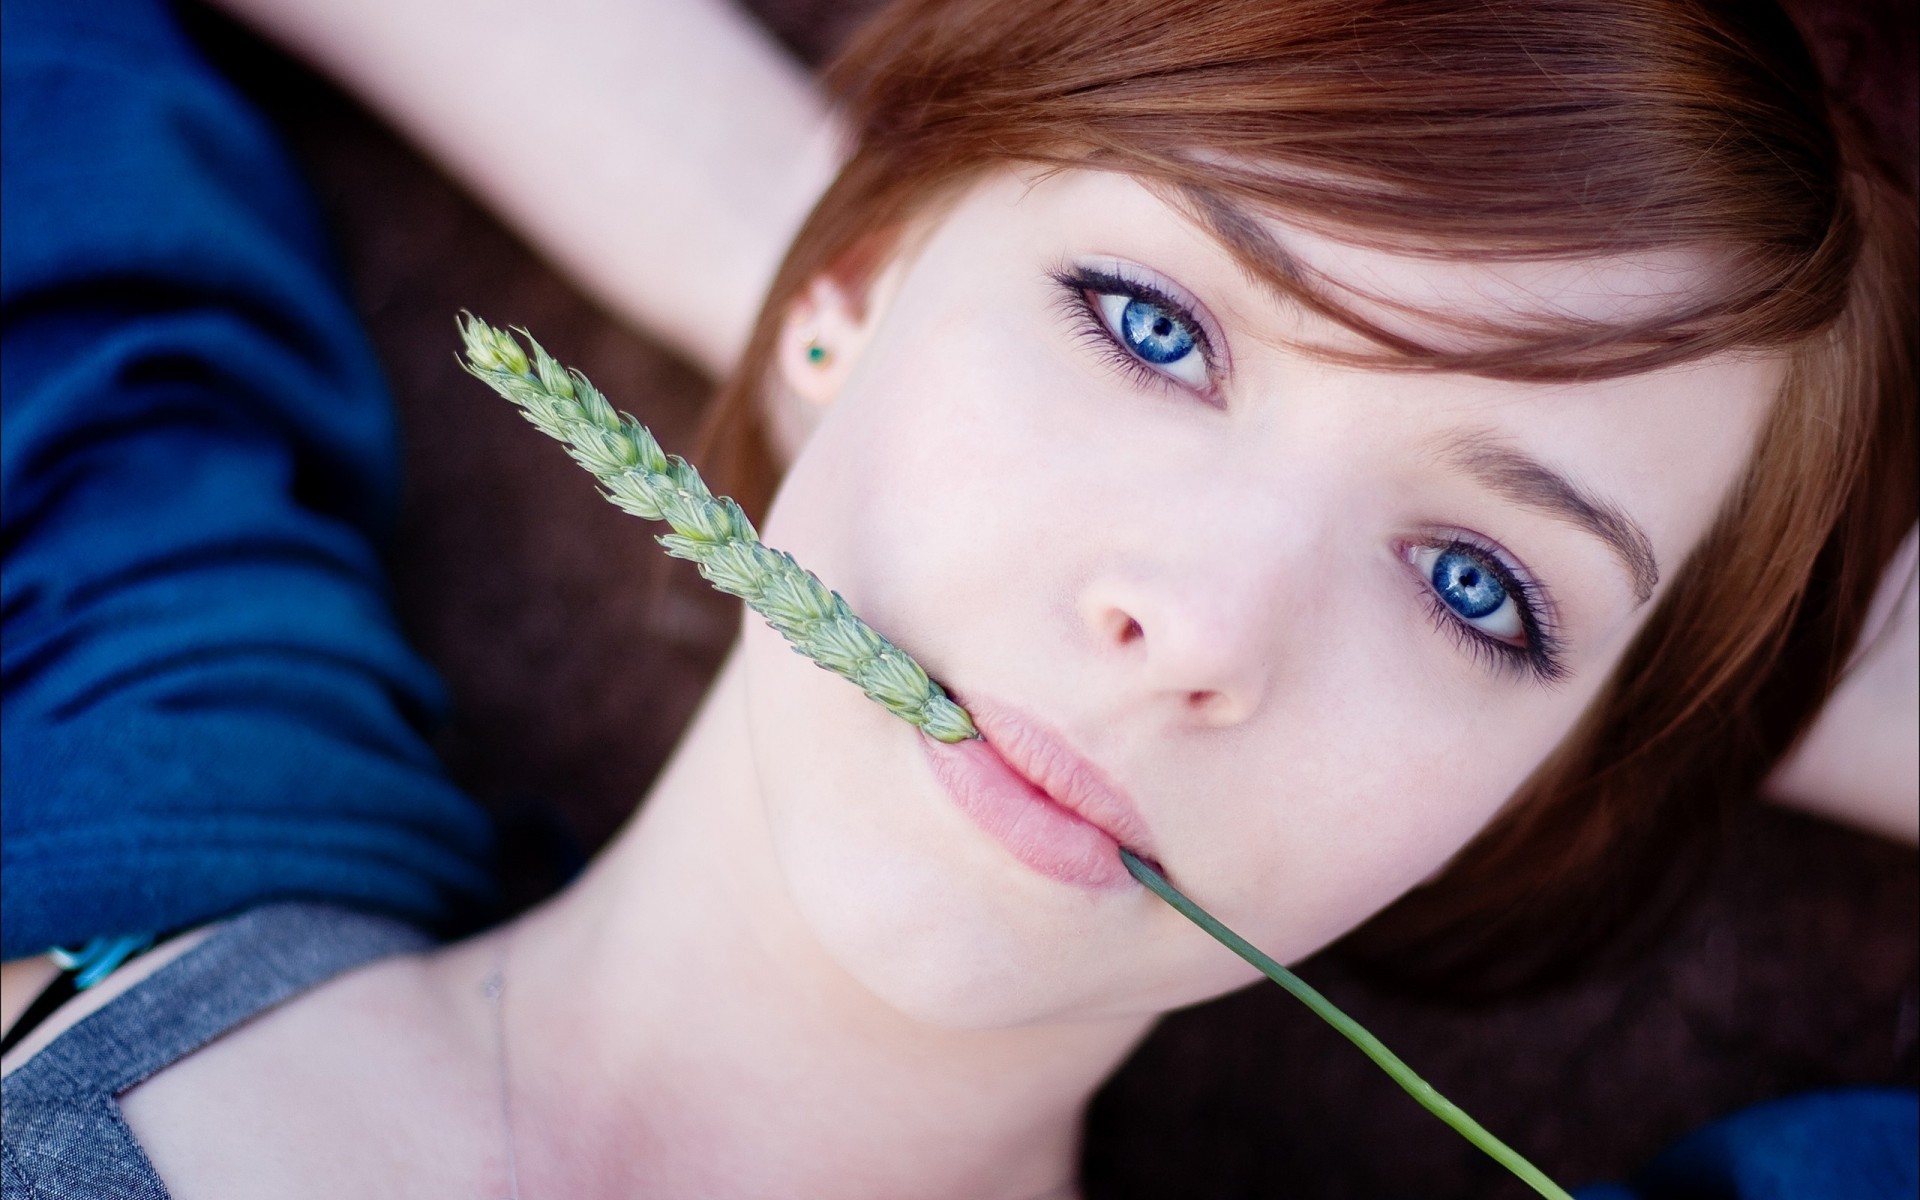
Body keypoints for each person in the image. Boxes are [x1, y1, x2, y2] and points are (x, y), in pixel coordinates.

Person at [3, 0, 1914, 1197]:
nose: (1207, 621)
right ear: (856, 281)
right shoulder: (137, 741)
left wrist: (1721, 690)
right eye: (1150, 324)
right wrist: (827, 288)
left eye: (1482, 589)